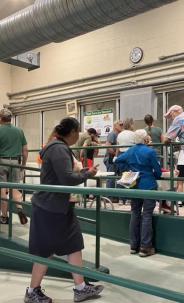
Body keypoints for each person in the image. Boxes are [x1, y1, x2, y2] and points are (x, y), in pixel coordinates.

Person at [25, 117, 103, 303]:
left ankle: (81, 288)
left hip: (60, 207)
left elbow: (63, 175)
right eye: (78, 132)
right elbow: (66, 179)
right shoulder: (59, 148)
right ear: (73, 132)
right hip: (50, 208)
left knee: (73, 244)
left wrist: (80, 173)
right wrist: (86, 174)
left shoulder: (57, 147)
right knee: (46, 251)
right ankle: (32, 291)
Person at [115, 129, 161, 257]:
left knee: (135, 213)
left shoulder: (130, 151)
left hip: (134, 185)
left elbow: (117, 160)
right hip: (148, 185)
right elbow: (158, 171)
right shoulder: (150, 152)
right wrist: (155, 175)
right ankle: (145, 247)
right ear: (146, 139)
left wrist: (128, 171)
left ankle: (133, 246)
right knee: (146, 215)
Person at [0, 108, 28, 225]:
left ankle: (4, 217)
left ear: (1, 118)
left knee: (2, 189)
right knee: (14, 188)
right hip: (16, 162)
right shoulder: (19, 131)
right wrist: (23, 165)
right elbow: (25, 151)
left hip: (2, 162)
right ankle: (20, 209)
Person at [103, 120, 123, 202]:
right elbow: (108, 146)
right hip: (111, 158)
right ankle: (109, 197)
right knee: (111, 177)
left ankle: (116, 196)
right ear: (115, 126)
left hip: (117, 159)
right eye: (120, 124)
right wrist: (115, 154)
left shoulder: (120, 135)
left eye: (122, 124)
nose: (122, 126)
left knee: (118, 177)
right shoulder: (112, 134)